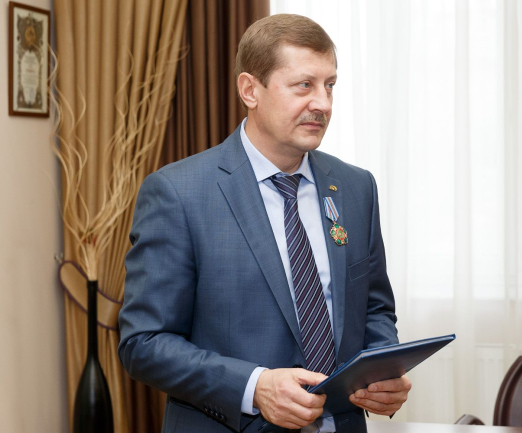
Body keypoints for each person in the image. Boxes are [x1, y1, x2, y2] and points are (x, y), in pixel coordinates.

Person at [118, 13, 411, 433]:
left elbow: (375, 309)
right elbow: (143, 343)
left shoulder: (355, 187)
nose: (323, 104)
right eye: (304, 85)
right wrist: (253, 387)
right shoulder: (178, 193)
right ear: (250, 90)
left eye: (330, 85)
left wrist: (383, 369)